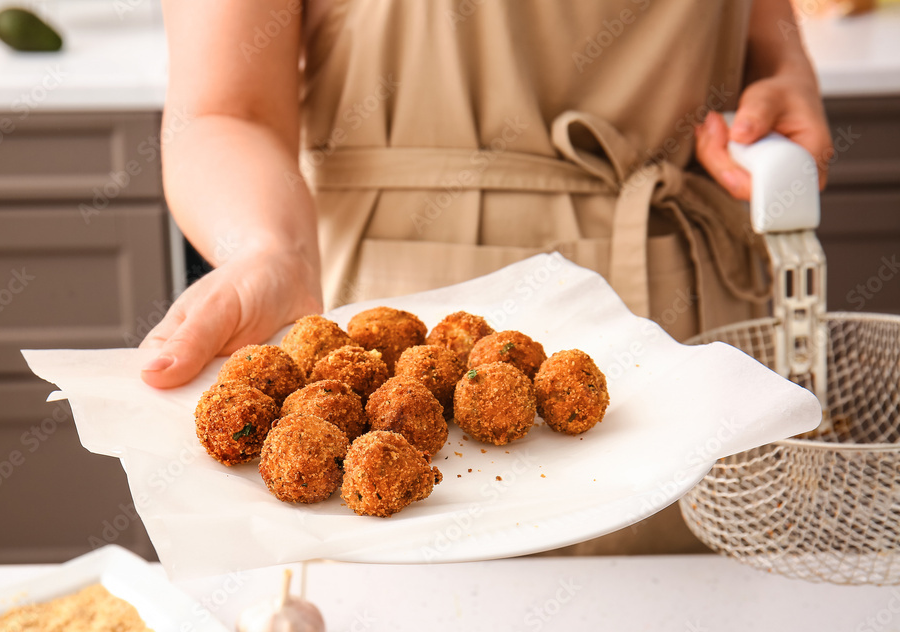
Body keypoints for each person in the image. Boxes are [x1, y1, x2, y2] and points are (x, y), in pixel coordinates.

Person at [140, 0, 832, 554]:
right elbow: (223, 109)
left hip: (672, 337)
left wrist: (783, 66)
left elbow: (760, 23)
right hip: (388, 293)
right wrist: (267, 248)